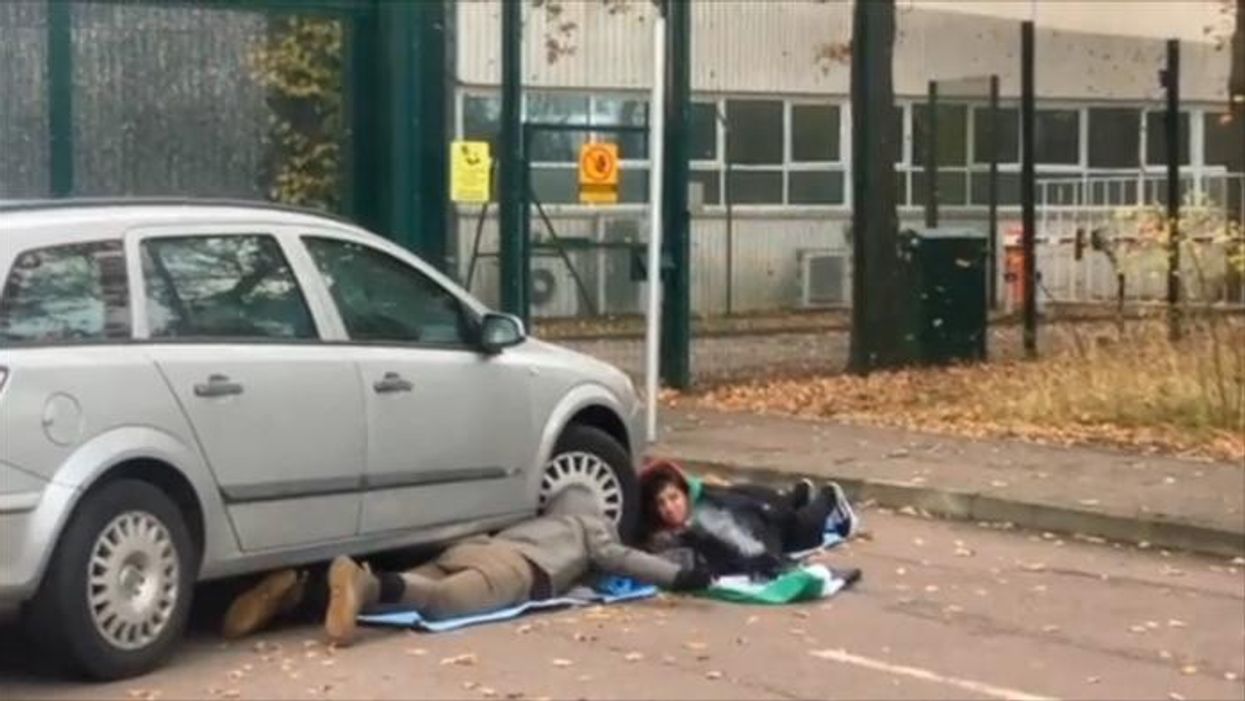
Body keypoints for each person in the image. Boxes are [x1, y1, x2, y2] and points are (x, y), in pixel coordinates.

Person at [220, 486, 712, 645]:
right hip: (518, 570)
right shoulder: (590, 526)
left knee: (416, 583)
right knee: (440, 603)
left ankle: (297, 592)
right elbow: (620, 557)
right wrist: (680, 577)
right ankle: (363, 585)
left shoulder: (535, 520)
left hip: (476, 547)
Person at [639, 460, 858, 580]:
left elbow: (749, 547)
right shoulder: (691, 514)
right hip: (750, 500)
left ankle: (829, 496)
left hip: (765, 518)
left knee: (806, 531)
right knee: (781, 504)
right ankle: (797, 496)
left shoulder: (708, 517)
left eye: (674, 498)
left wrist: (776, 565)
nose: (669, 508)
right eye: (661, 503)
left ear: (685, 494)